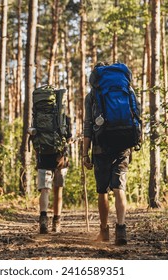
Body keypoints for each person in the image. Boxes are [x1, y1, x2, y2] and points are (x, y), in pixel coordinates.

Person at [82, 64, 132, 246]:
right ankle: (121, 230)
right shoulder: (127, 90)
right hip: (123, 144)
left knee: (102, 190)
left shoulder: (92, 96)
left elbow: (88, 126)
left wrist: (84, 153)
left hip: (101, 146)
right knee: (120, 187)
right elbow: (136, 116)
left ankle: (104, 231)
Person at [37, 142, 70, 234]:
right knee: (58, 189)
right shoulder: (68, 126)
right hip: (61, 157)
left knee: (44, 189)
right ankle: (56, 222)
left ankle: (43, 220)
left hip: (43, 156)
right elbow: (69, 138)